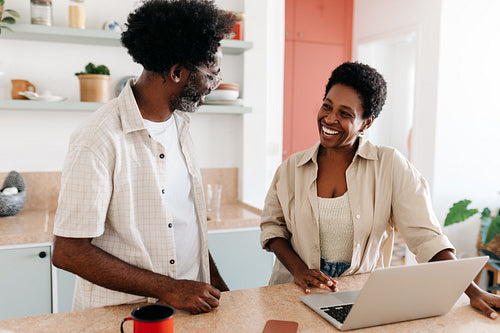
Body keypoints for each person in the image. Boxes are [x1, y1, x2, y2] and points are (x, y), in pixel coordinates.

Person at [260, 61, 500, 319]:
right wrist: (298, 269)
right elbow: (273, 228)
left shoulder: (390, 165)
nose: (330, 119)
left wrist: (474, 292)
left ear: (366, 122)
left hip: (357, 298)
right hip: (291, 293)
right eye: (327, 106)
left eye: (345, 114)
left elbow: (427, 238)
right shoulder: (290, 169)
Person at [52, 0, 235, 314]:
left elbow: (185, 225)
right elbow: (68, 252)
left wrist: (220, 288)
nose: (213, 87)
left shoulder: (181, 127)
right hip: (122, 315)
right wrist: (169, 287)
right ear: (177, 72)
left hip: (187, 307)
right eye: (211, 75)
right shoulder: (98, 139)